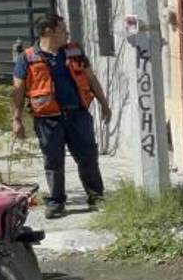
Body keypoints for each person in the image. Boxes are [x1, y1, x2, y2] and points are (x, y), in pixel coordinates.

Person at [11, 13, 110, 219]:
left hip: (78, 116)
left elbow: (91, 79)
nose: (67, 33)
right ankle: (56, 203)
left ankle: (96, 196)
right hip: (47, 120)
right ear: (49, 31)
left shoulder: (74, 51)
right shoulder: (26, 58)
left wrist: (104, 103)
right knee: (53, 162)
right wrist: (17, 119)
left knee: (88, 158)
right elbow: (18, 91)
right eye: (63, 29)